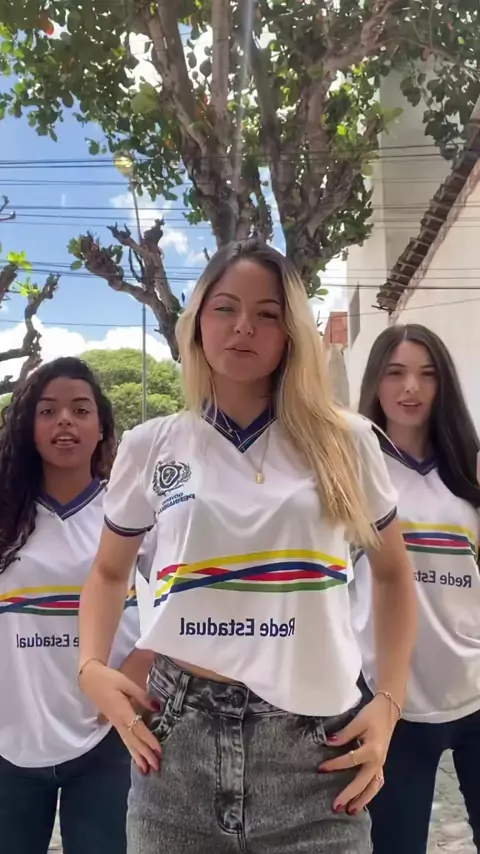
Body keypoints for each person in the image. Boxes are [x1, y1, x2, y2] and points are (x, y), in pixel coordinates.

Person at [78, 238, 417, 854]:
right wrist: (91, 668)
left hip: (318, 757)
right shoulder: (151, 445)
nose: (244, 327)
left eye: (268, 313)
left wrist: (390, 704)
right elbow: (107, 572)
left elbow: (394, 574)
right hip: (176, 751)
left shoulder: (347, 441)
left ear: (292, 333)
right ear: (197, 322)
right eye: (225, 308)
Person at [0, 357, 152, 854]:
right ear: (29, 427)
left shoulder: (128, 509)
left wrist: (142, 663)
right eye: (48, 411)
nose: (64, 420)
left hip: (109, 735)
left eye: (80, 410)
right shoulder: (6, 514)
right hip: (12, 736)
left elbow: (186, 596)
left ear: (102, 427)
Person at [350, 324, 480, 854]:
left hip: (473, 690)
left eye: (427, 375)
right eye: (396, 373)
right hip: (388, 704)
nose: (411, 388)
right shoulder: (353, 472)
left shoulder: (469, 469)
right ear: (375, 382)